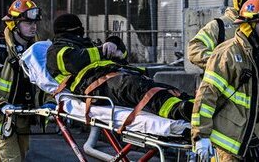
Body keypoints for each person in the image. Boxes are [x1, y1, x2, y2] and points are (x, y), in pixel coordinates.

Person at [46, 13, 193, 122]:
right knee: (140, 90)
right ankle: (181, 112)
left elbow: (123, 55)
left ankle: (194, 104)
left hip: (115, 78)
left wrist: (113, 43)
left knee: (163, 88)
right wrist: (102, 50)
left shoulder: (86, 45)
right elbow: (74, 61)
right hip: (98, 85)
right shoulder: (56, 50)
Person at [191, 0, 259, 162]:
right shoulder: (228, 54)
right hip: (229, 139)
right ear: (249, 26)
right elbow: (207, 96)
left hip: (253, 132)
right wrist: (201, 135)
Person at [0, 0, 41, 162]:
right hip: (1, 120)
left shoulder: (37, 51)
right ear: (14, 24)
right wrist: (1, 106)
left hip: (24, 119)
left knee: (19, 157)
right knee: (11, 160)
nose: (33, 27)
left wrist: (49, 103)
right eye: (28, 23)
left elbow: (46, 83)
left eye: (35, 23)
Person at [188, 0, 259, 70]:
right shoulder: (219, 26)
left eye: (258, 1)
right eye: (248, 1)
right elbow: (194, 50)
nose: (253, 5)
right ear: (237, 0)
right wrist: (222, 64)